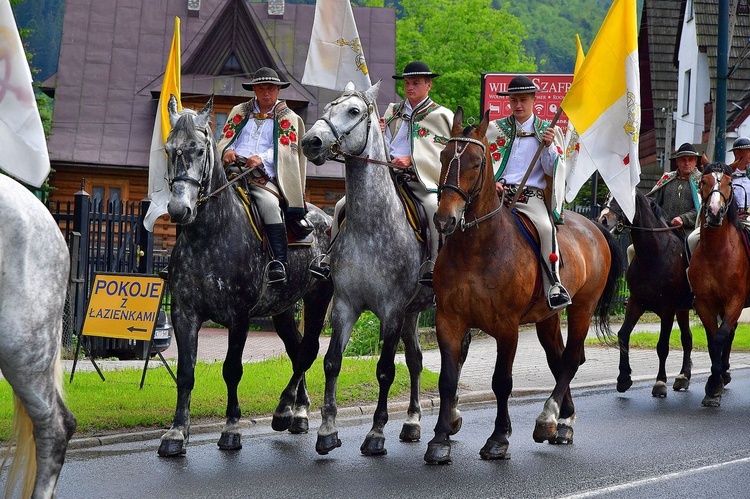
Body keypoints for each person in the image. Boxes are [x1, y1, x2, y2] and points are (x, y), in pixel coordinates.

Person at [309, 61, 453, 286]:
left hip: (418, 180)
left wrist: (412, 161)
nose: (409, 87)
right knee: (341, 206)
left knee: (432, 207)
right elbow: (383, 145)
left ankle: (434, 263)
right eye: (407, 83)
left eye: (415, 83)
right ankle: (329, 258)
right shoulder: (393, 110)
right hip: (387, 177)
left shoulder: (442, 115)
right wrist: (381, 135)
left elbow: (444, 153)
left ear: (429, 85)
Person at [217, 67, 309, 286]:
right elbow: (224, 138)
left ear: (278, 90)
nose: (266, 93)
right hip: (232, 172)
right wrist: (226, 150)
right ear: (254, 90)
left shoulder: (289, 117)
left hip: (263, 176)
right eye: (261, 88)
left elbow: (287, 149)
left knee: (268, 205)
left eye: (270, 88)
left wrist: (262, 158)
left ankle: (279, 262)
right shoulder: (239, 111)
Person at [485, 75, 570, 310]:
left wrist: (550, 146)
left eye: (523, 100)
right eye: (513, 100)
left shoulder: (548, 130)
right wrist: (491, 182)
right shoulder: (495, 129)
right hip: (496, 195)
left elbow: (554, 170)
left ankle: (554, 284)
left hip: (530, 198)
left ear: (534, 100)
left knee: (545, 228)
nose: (518, 105)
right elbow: (484, 163)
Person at [730, 137, 750, 216]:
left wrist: (748, 211)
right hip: (731, 218)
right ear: (737, 152)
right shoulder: (726, 174)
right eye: (748, 151)